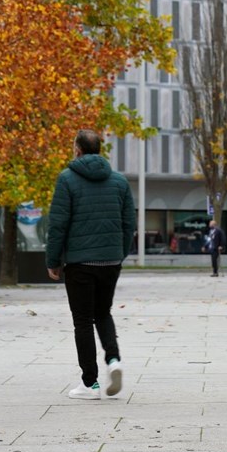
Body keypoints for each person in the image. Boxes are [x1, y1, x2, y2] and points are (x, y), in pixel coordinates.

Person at [46, 129, 136, 401]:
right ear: (99, 149)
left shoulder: (67, 179)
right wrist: (118, 254)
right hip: (110, 261)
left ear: (77, 149)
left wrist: (53, 261)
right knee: (103, 313)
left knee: (83, 321)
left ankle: (90, 384)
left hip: (80, 262)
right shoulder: (119, 182)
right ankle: (114, 360)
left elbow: (58, 223)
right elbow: (128, 223)